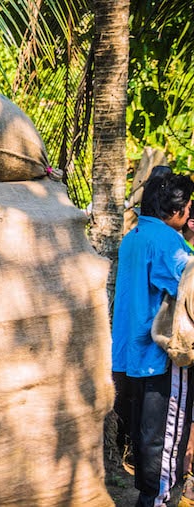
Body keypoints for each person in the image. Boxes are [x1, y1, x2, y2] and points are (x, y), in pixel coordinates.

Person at [112, 172, 194, 506]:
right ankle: (156, 500)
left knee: (148, 435)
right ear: (174, 209)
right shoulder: (166, 241)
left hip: (132, 356)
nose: (190, 212)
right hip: (160, 356)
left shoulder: (134, 236)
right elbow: (188, 287)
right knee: (165, 437)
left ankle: (150, 497)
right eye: (188, 206)